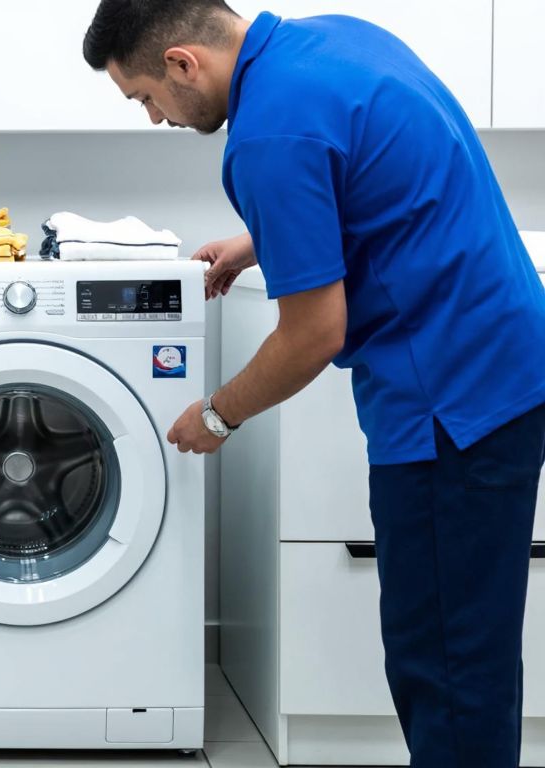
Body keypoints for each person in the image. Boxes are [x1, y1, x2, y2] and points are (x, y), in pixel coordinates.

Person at [82, 1, 545, 765]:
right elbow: (374, 180)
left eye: (146, 100)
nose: (156, 119)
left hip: (447, 404)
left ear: (181, 64)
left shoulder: (266, 139)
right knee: (473, 652)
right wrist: (262, 242)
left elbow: (312, 335)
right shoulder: (334, 39)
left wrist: (218, 416)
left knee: (449, 667)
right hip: (507, 357)